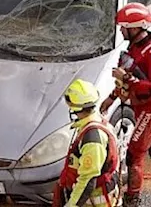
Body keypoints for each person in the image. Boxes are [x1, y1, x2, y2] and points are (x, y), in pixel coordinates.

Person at [103, 3, 151, 207]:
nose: (121, 30)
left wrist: (128, 79)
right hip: (142, 107)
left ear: (136, 27)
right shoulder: (136, 47)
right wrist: (113, 97)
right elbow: (127, 77)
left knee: (133, 156)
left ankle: (132, 201)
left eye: (124, 27)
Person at [54, 79, 121, 207]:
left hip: (96, 200)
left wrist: (72, 205)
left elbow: (88, 180)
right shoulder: (96, 122)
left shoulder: (92, 138)